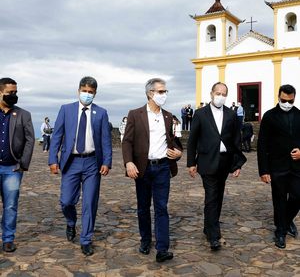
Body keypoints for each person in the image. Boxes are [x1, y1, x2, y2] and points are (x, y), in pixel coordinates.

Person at [49, 76, 112, 256]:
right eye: (84, 91)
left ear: (95, 93)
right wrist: (53, 159)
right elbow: (57, 136)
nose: (87, 94)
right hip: (71, 162)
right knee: (66, 201)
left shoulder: (101, 113)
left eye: (90, 92)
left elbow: (106, 140)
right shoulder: (66, 110)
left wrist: (107, 162)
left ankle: (86, 239)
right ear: (78, 91)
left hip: (93, 162)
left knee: (90, 202)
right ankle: (71, 222)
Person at [122, 78, 182, 263]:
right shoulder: (135, 114)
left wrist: (179, 153)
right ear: (150, 93)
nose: (164, 95)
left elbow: (174, 142)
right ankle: (145, 240)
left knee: (161, 208)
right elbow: (127, 141)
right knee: (143, 207)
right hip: (142, 168)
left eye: (165, 92)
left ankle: (162, 248)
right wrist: (128, 163)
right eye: (161, 91)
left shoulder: (169, 116)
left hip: (163, 167)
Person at [187, 82, 246, 251]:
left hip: (225, 161)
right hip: (206, 161)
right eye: (218, 92)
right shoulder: (200, 114)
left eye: (223, 93)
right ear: (211, 93)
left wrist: (237, 164)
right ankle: (214, 235)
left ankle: (208, 226)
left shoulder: (231, 115)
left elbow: (236, 141)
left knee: (218, 196)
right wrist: (191, 162)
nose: (220, 96)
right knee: (211, 196)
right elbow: (192, 140)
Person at [257, 84, 300, 249]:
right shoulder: (269, 116)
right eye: (284, 100)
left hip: (297, 167)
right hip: (277, 167)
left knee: (298, 197)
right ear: (278, 97)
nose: (287, 103)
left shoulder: (299, 115)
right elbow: (262, 145)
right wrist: (264, 170)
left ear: (294, 98)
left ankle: (286, 221)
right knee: (279, 201)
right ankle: (280, 232)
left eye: (290, 101)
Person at [0, 77, 35, 252]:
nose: (13, 96)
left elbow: (30, 140)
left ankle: (8, 238)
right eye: (9, 93)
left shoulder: (23, 114)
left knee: (11, 205)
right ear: (0, 92)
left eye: (15, 93)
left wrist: (23, 163)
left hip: (12, 168)